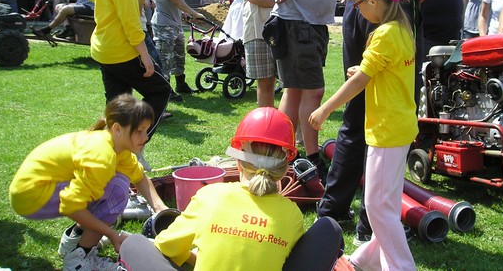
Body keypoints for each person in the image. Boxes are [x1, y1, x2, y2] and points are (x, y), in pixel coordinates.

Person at [301, 0, 451, 247]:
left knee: (358, 112)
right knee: (393, 106)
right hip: (394, 2)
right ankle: (374, 220)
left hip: (358, 7)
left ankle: (332, 215)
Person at [118, 107, 343, 271]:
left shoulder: (211, 196)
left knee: (134, 244)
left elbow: (167, 247)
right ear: (285, 168)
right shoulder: (292, 214)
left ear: (237, 161)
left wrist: (199, 256)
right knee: (329, 228)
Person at [232, 0, 350, 180]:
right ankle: (311, 158)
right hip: (294, 24)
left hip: (314, 25)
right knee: (314, 92)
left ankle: (284, 150)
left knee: (295, 92)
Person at [309, 0, 418, 271]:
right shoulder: (402, 26)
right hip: (399, 126)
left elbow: (360, 82)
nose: (356, 11)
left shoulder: (383, 34)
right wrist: (365, 69)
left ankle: (401, 267)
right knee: (386, 203)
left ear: (372, 1)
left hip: (387, 130)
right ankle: (365, 260)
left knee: (376, 207)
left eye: (356, 4)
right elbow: (390, 69)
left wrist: (325, 108)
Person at [8, 94, 169, 271]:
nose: (145, 137)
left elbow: (139, 177)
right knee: (117, 191)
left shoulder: (115, 144)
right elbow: (71, 206)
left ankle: (73, 241)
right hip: (32, 197)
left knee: (118, 183)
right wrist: (112, 234)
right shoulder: (102, 156)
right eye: (139, 131)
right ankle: (79, 260)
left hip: (29, 191)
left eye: (146, 130)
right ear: (117, 129)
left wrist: (161, 209)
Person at [87, 0, 171, 153]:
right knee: (161, 92)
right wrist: (145, 56)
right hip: (123, 52)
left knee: (117, 110)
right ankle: (135, 148)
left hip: (104, 51)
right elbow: (130, 20)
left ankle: (107, 155)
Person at [152, 0, 205, 100]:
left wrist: (184, 14)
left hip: (176, 23)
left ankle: (180, 84)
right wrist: (194, 13)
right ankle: (165, 90)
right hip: (163, 24)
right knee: (165, 59)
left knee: (179, 55)